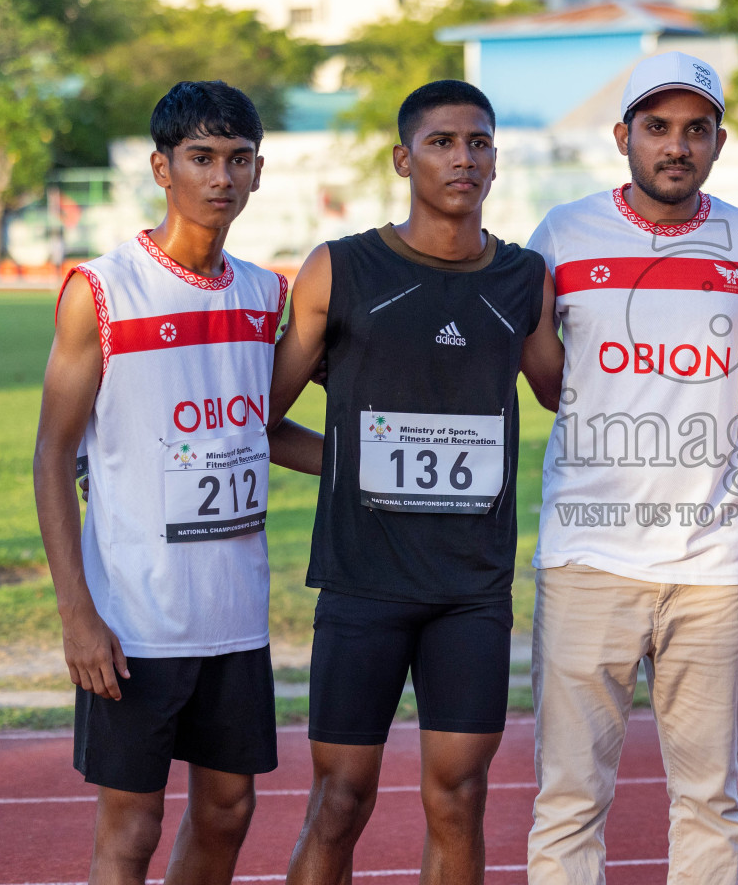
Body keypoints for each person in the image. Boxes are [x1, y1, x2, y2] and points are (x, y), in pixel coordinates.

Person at [267, 80, 563, 884]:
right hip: (364, 583)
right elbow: (259, 419)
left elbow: (566, 393)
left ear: (496, 160)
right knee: (340, 799)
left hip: (470, 589)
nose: (463, 158)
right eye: (441, 142)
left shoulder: (524, 280)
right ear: (404, 158)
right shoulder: (341, 268)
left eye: (479, 142)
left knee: (460, 796)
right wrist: (351, 459)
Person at [33, 80, 321, 885]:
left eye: (238, 159)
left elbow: (259, 427)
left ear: (259, 172)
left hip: (233, 611)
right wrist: (77, 614)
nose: (221, 178)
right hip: (135, 616)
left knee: (229, 810)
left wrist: (361, 464)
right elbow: (53, 454)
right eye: (201, 158)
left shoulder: (267, 294)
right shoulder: (102, 291)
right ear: (163, 168)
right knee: (132, 828)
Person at [524, 52, 738, 885]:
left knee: (710, 798)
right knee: (569, 799)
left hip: (710, 565)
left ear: (718, 143)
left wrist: (734, 428)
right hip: (585, 556)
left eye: (695, 130)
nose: (676, 145)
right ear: (623, 136)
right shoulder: (562, 234)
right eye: (658, 128)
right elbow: (541, 372)